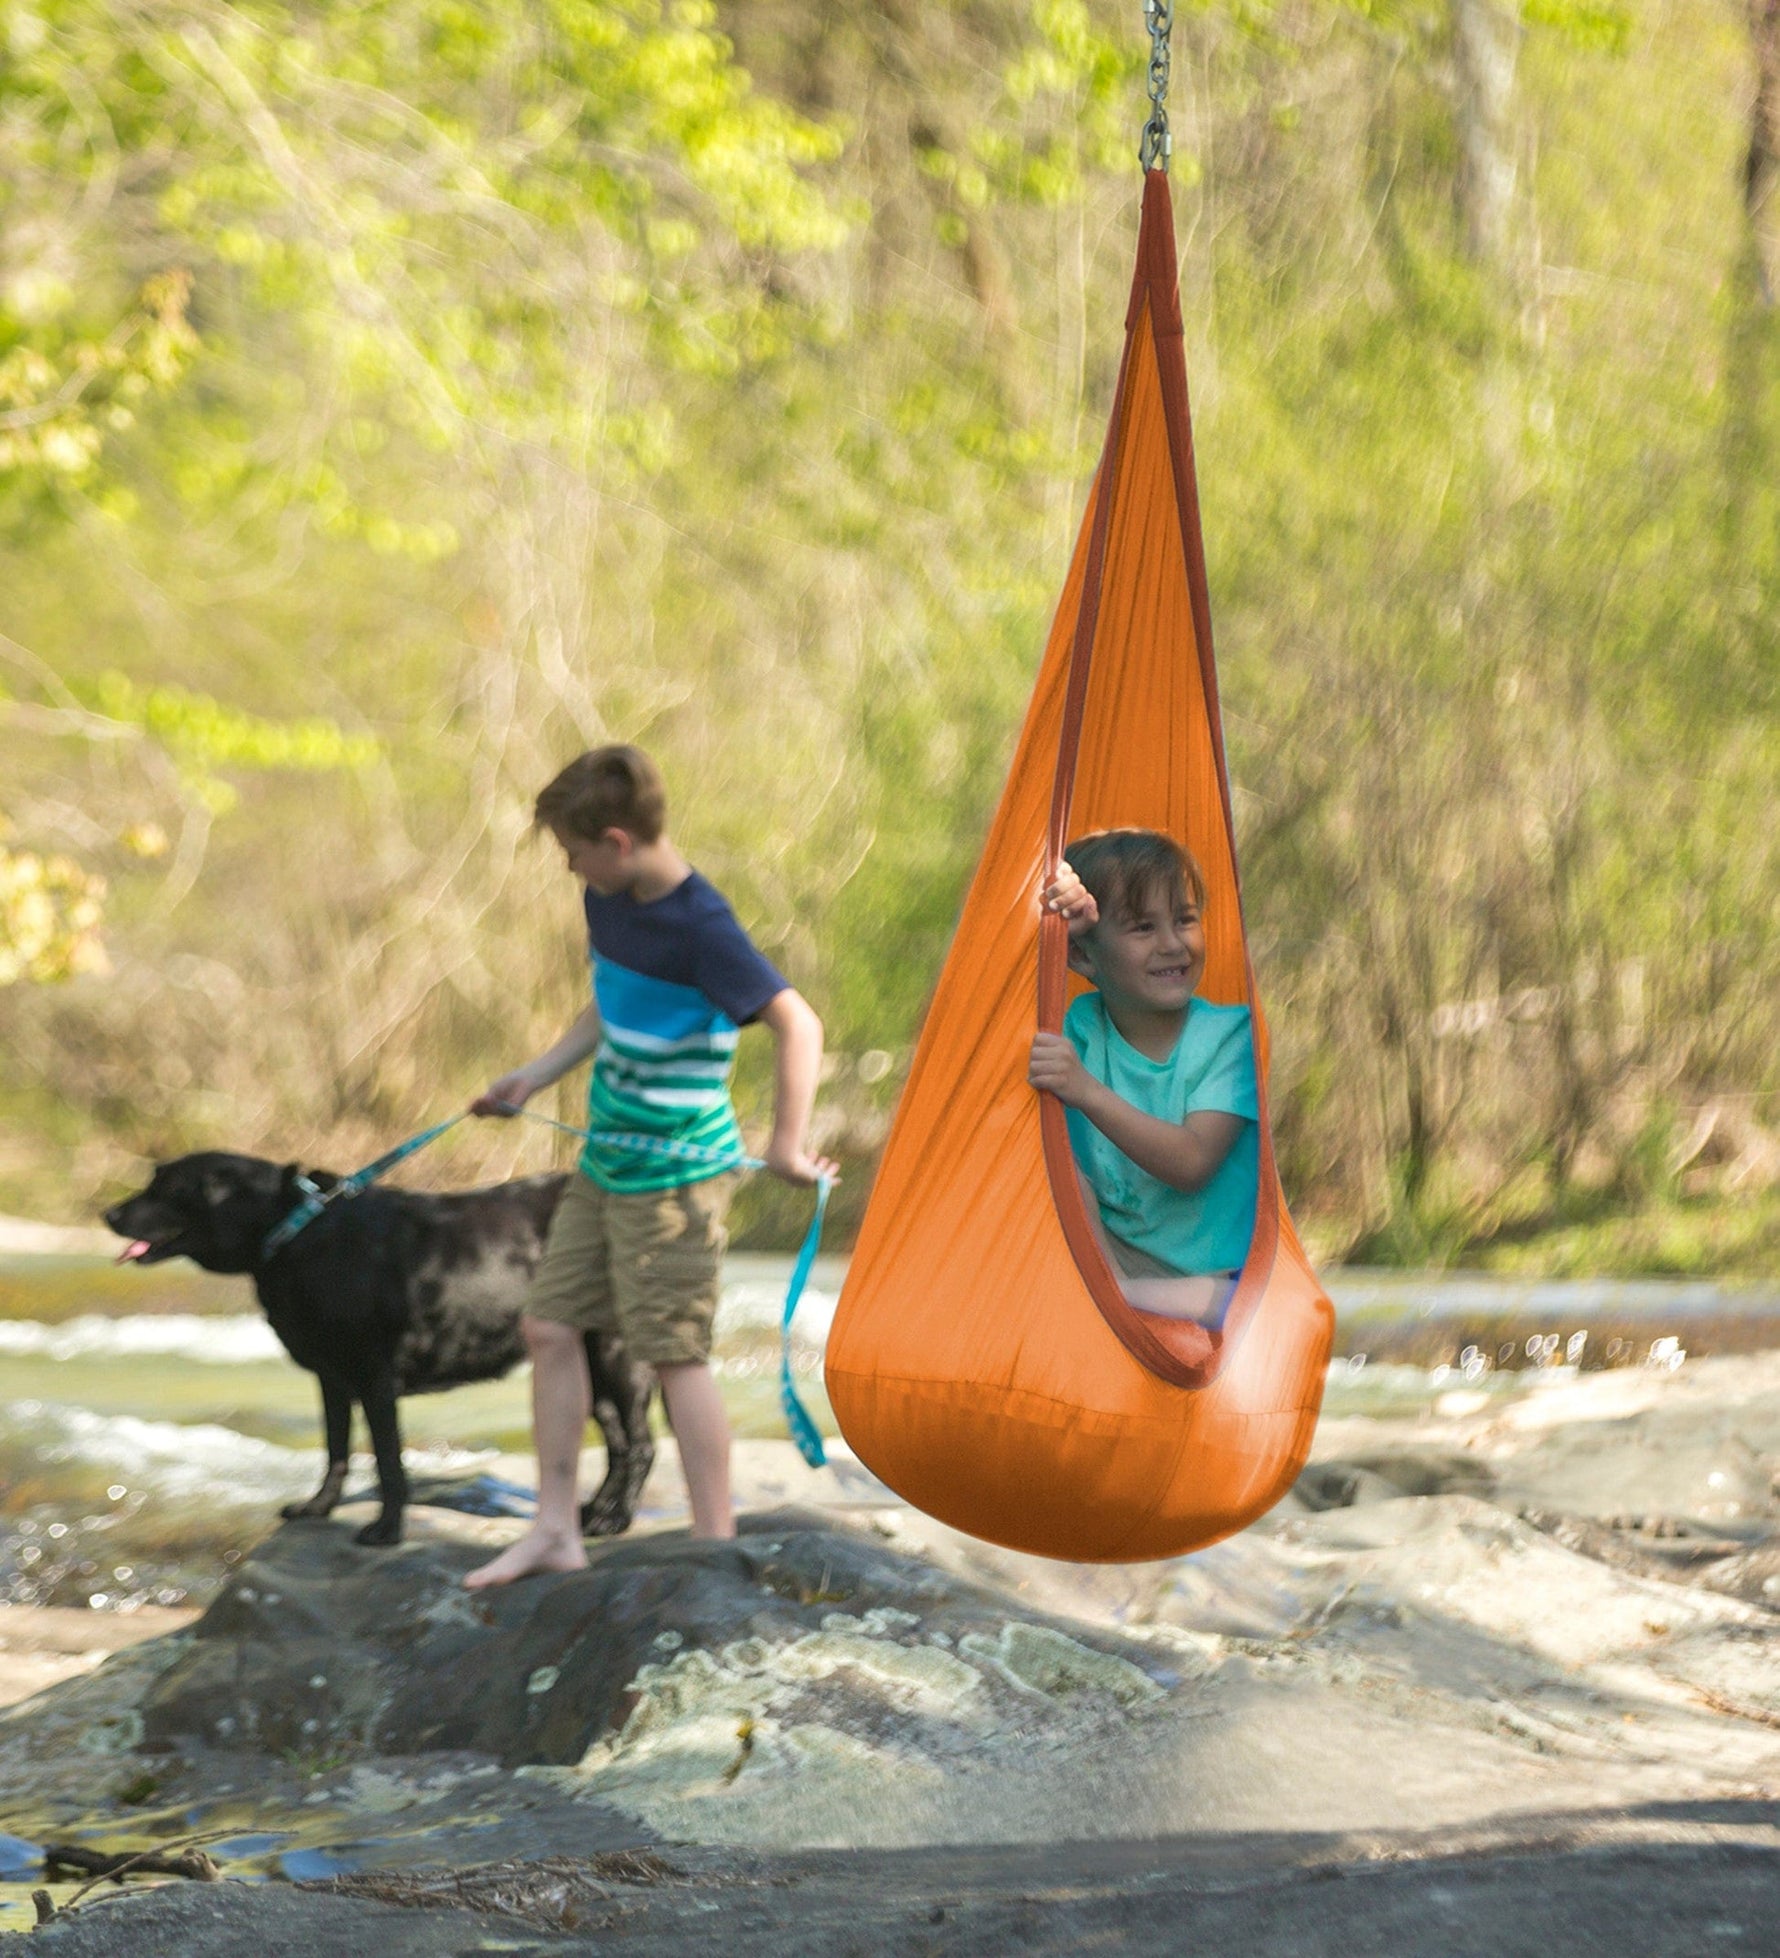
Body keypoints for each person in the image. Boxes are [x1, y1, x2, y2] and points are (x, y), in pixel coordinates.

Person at [463, 745, 833, 1589]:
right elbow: (613, 1000)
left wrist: (785, 1144)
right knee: (548, 1326)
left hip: (678, 1176)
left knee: (674, 1353)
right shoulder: (611, 900)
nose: (567, 866)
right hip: (607, 1157)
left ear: (620, 841)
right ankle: (556, 1528)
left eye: (573, 849)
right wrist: (536, 1074)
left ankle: (713, 1543)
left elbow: (797, 1023)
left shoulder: (703, 926)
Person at [1028, 829, 1258, 1325]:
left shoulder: (1230, 1035)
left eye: (1185, 919)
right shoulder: (1076, 1028)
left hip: (1216, 1277)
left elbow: (1192, 1162)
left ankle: (1113, 1300)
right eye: (1142, 928)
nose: (1173, 944)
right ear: (1084, 957)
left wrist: (1085, 1091)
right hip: (1114, 1260)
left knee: (1255, 1309)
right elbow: (995, 996)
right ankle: (1110, 1295)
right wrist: (1052, 908)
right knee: (1057, 1170)